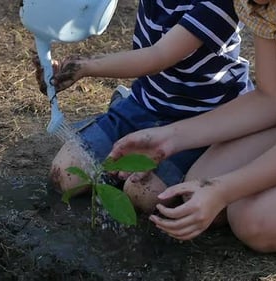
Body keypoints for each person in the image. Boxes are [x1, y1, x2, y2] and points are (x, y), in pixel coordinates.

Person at [108, 0, 276, 252]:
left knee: (256, 223)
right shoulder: (266, 4)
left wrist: (223, 191)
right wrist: (169, 137)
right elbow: (272, 100)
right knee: (200, 185)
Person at [34, 0, 254, 213]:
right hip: (146, 103)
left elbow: (158, 55)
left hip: (201, 120)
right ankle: (123, 122)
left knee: (143, 195)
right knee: (64, 176)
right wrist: (63, 66)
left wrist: (83, 67)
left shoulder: (223, 3)